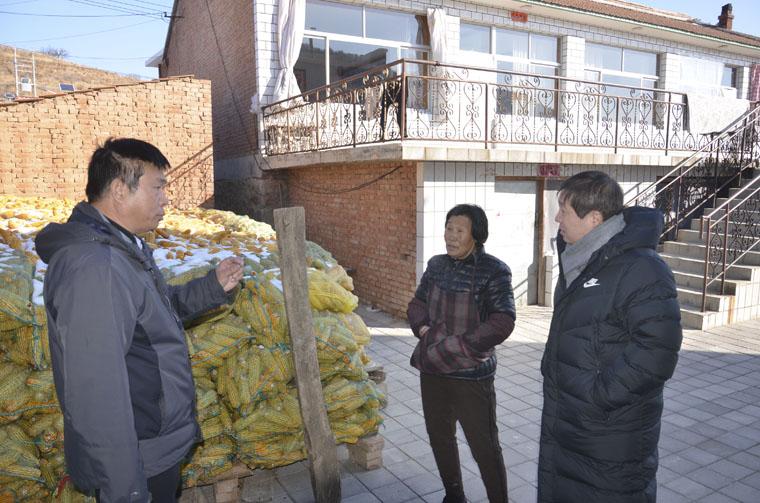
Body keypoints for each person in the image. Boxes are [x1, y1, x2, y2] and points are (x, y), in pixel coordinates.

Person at [36, 138, 244, 503]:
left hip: (152, 446)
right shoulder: (95, 268)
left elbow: (153, 317)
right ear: (120, 190)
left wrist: (212, 287)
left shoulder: (122, 248)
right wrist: (127, 490)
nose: (166, 200)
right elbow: (97, 395)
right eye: (158, 188)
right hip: (137, 459)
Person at [538, 171, 683, 502]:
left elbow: (657, 351)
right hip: (570, 423)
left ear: (594, 219)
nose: (557, 219)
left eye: (564, 211)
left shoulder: (642, 268)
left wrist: (598, 396)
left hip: (609, 434)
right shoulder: (580, 260)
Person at [407, 204, 516, 503]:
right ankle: (454, 496)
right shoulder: (436, 265)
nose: (451, 236)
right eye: (448, 228)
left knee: (484, 446)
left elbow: (503, 321)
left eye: (459, 230)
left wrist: (461, 345)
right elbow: (417, 303)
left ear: (476, 236)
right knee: (439, 437)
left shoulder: (494, 270)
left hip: (471, 375)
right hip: (434, 370)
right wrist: (423, 329)